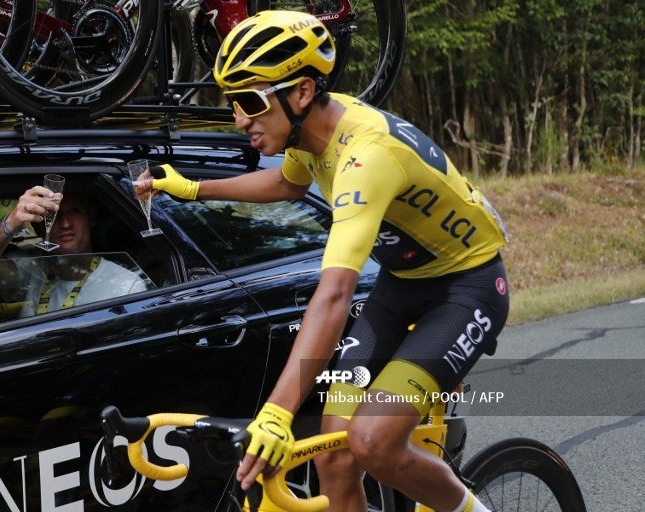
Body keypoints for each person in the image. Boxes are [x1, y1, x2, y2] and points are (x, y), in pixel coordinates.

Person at [136, 10, 509, 512]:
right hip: (402, 284)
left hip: (465, 290)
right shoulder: (312, 133)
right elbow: (289, 182)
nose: (239, 118)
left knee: (373, 442)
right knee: (334, 455)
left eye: (249, 101)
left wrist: (277, 413)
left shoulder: (365, 158)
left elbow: (333, 295)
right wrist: (190, 188)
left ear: (303, 91)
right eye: (232, 102)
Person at [0, 184, 149, 317]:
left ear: (91, 217)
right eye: (53, 215)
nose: (65, 223)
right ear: (37, 227)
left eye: (74, 211)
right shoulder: (33, 269)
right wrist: (11, 222)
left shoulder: (126, 288)